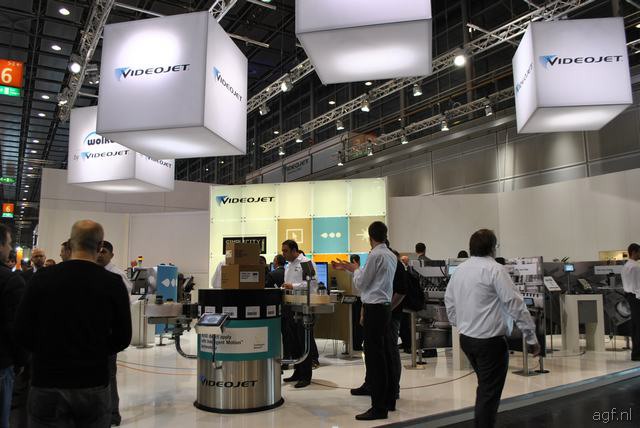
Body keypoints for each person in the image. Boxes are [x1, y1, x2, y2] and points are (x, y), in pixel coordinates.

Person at [14, 220, 132, 428]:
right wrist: (96, 351)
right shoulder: (113, 283)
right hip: (93, 381)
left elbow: (22, 330)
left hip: (47, 380)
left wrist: (45, 351)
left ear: (70, 244)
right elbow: (123, 337)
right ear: (99, 246)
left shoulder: (42, 279)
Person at [445, 229, 540, 428]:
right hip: (490, 342)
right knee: (489, 394)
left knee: (485, 388)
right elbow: (515, 303)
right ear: (492, 248)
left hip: (467, 339)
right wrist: (530, 336)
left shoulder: (460, 270)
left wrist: (459, 323)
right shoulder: (495, 269)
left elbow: (449, 301)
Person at [333, 221, 397, 421]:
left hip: (374, 310)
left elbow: (361, 283)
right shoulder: (390, 255)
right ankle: (388, 401)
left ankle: (378, 408)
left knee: (375, 360)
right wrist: (352, 267)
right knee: (383, 356)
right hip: (384, 309)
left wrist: (355, 270)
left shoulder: (375, 255)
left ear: (370, 237)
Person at [350, 246, 406, 403]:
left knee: (388, 351)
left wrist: (386, 310)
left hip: (389, 314)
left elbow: (402, 291)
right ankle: (371, 384)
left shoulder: (393, 262)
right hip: (380, 311)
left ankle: (392, 390)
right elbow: (369, 288)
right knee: (373, 351)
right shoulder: (385, 260)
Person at [96, 240, 132, 426]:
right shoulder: (95, 273)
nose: (100, 255)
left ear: (111, 255)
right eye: (98, 251)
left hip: (109, 334)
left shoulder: (117, 275)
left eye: (104, 252)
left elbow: (123, 306)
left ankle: (113, 414)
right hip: (95, 334)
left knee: (109, 375)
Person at [281, 240, 318, 388]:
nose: (283, 254)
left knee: (303, 341)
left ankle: (306, 376)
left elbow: (312, 284)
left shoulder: (306, 263)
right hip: (290, 306)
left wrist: (293, 286)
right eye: (282, 251)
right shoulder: (288, 265)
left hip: (303, 307)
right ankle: (297, 372)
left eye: (285, 251)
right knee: (293, 341)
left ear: (294, 250)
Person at [0, 224, 26, 428]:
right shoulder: (10, 280)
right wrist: (21, 360)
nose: (10, 249)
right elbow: (16, 328)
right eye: (9, 243)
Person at [622, 243, 640, 362]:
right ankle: (637, 353)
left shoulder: (626, 266)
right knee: (638, 327)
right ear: (634, 252)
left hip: (629, 297)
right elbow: (638, 286)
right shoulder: (636, 267)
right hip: (637, 298)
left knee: (635, 326)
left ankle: (636, 352)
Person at [349, 255, 364, 351]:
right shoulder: (360, 270)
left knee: (353, 322)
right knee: (359, 323)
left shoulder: (349, 271)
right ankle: (357, 344)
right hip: (359, 299)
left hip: (351, 299)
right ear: (357, 261)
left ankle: (354, 343)